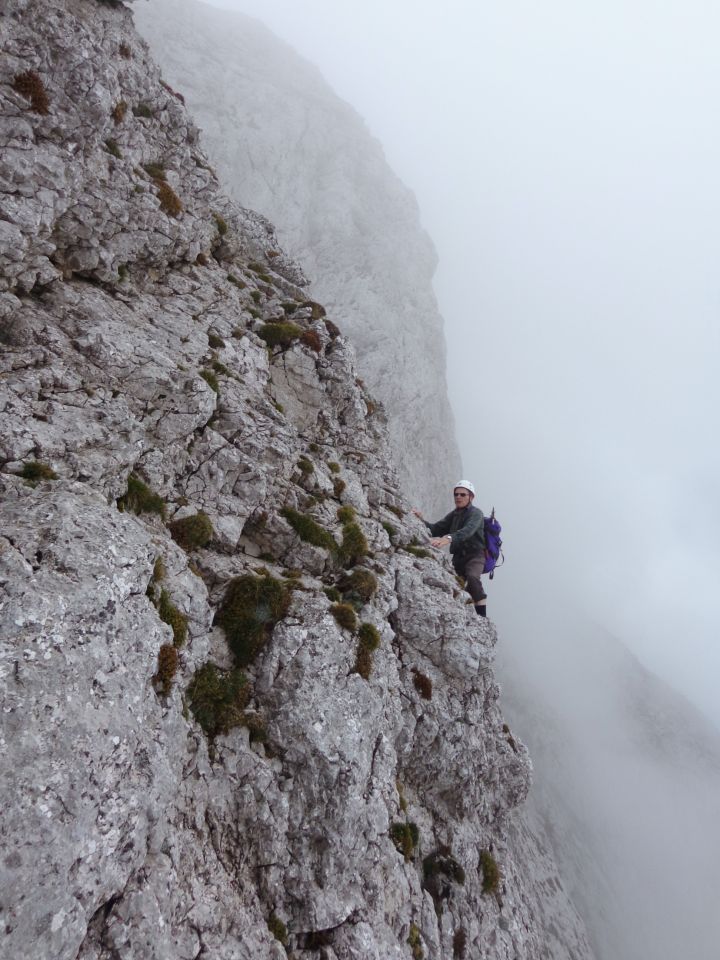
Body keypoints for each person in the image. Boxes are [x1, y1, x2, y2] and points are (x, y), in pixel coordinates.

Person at [412, 481, 488, 616]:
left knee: (472, 577)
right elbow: (436, 529)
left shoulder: (476, 514)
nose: (458, 497)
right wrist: (421, 520)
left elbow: (468, 531)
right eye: (456, 494)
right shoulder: (454, 515)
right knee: (456, 586)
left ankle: (482, 618)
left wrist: (448, 539)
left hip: (475, 555)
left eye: (462, 494)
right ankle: (464, 614)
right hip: (459, 558)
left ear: (471, 497)